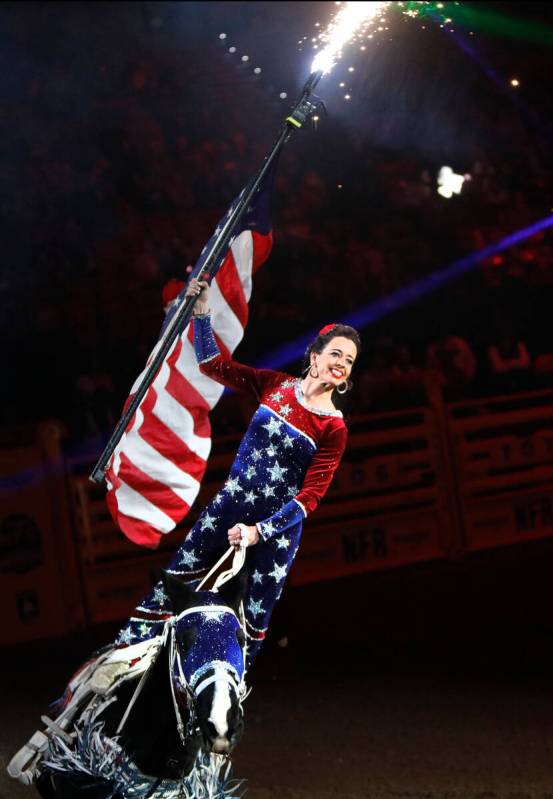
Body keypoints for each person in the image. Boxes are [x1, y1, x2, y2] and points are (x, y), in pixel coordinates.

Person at [117, 277, 361, 667]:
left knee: (249, 620)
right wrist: (201, 314)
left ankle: (224, 701)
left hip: (272, 533)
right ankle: (119, 661)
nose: (341, 364)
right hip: (228, 509)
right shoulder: (275, 385)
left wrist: (257, 532)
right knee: (175, 583)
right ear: (314, 356)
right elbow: (212, 365)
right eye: (336, 353)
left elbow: (309, 498)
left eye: (349, 361)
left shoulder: (333, 428)